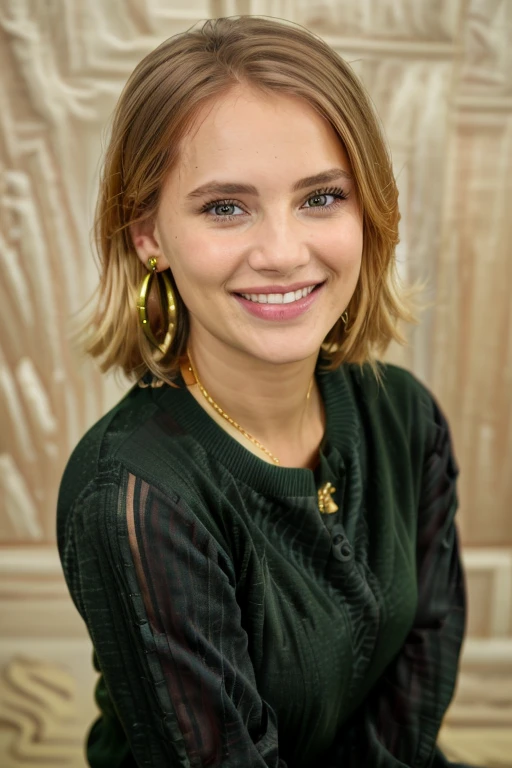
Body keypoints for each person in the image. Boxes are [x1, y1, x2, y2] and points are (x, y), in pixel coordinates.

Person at [56, 14, 474, 768]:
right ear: (147, 231)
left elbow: (421, 671)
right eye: (225, 207)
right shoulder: (133, 494)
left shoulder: (406, 416)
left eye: (321, 198)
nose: (283, 252)